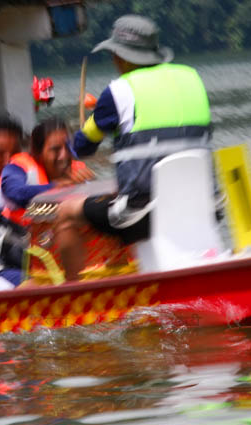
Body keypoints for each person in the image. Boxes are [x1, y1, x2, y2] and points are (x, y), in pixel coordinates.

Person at [55, 14, 212, 281]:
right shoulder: (192, 77)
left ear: (123, 56)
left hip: (144, 211)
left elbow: (83, 148)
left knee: (66, 213)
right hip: (203, 201)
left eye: (114, 55)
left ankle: (73, 297)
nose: (114, 61)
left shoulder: (118, 91)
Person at [0, 119, 93, 290]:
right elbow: (15, 192)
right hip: (6, 268)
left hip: (54, 269)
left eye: (67, 147)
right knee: (35, 287)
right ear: (37, 153)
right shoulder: (16, 170)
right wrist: (57, 187)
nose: (64, 155)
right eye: (55, 149)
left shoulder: (78, 173)